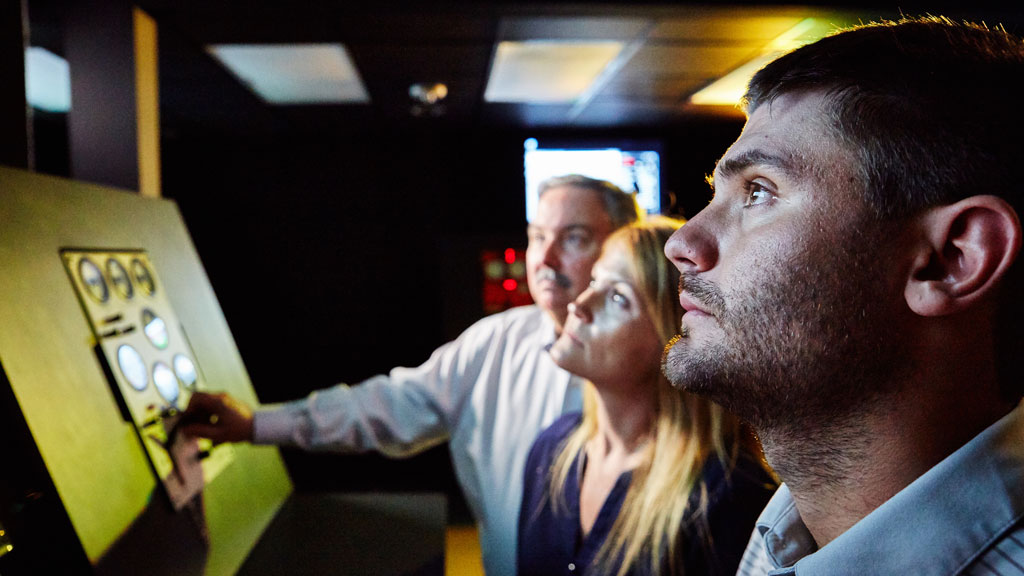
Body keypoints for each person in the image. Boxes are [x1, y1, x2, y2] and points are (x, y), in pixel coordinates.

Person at [661, 16, 1024, 575]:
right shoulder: (785, 533)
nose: (683, 243)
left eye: (758, 191)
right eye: (718, 193)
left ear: (951, 259)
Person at [181, 174, 640, 576]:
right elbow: (387, 406)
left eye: (573, 238)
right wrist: (257, 424)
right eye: (537, 237)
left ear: (623, 249)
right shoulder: (492, 345)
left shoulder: (664, 363)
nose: (545, 258)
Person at [518, 218, 776, 576]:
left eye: (618, 298)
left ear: (674, 338)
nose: (580, 304)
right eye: (594, 281)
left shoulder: (725, 492)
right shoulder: (551, 450)